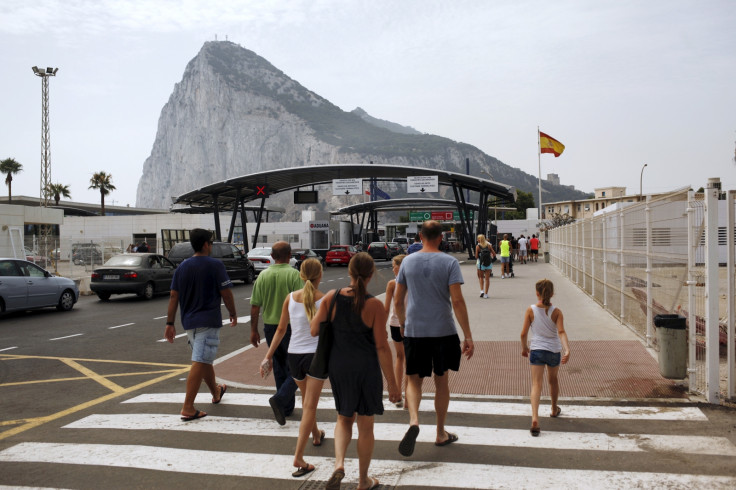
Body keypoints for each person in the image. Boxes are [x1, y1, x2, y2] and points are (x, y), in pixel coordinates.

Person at [311, 252, 400, 490]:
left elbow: (313, 330)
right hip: (366, 369)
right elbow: (382, 346)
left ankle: (339, 464)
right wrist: (392, 383)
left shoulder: (332, 297)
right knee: (366, 425)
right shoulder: (374, 305)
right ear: (372, 275)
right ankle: (363, 481)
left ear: (349, 272)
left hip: (339, 367)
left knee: (343, 418)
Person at [393, 220, 474, 458]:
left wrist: (403, 323)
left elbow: (398, 300)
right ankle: (440, 432)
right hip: (443, 331)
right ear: (441, 237)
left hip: (415, 331)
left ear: (420, 237)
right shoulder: (449, 262)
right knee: (441, 381)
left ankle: (414, 421)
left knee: (413, 380)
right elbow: (457, 301)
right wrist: (467, 335)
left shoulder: (407, 261)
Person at [259, 258, 326, 478]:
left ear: (300, 275)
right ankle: (298, 456)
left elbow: (280, 330)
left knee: (307, 400)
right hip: (315, 357)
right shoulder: (323, 300)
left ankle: (316, 435)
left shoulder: (290, 299)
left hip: (294, 357)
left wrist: (267, 357)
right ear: (320, 276)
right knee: (310, 407)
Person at [164, 228, 237, 421]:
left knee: (204, 359)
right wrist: (233, 312)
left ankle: (216, 392)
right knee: (201, 361)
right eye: (211, 242)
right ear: (205, 244)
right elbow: (226, 293)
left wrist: (170, 323)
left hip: (189, 322)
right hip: (208, 321)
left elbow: (173, 296)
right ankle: (188, 407)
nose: (211, 246)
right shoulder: (215, 265)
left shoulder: (182, 267)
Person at [250, 241, 303, 425]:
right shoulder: (295, 275)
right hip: (290, 327)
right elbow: (303, 301)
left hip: (270, 327)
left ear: (272, 257)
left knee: (280, 367)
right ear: (289, 255)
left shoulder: (262, 276)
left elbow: (255, 306)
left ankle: (286, 408)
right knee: (298, 367)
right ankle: (281, 399)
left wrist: (253, 330)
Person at [520, 279, 571, 436]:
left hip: (537, 350)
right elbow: (561, 332)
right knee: (553, 381)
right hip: (554, 351)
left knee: (536, 384)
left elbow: (523, 334)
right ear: (552, 294)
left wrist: (524, 348)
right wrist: (567, 350)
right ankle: (554, 409)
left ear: (537, 293)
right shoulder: (557, 312)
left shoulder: (530, 310)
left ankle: (535, 418)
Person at [384, 254, 407, 408]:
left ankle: (398, 393)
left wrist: (381, 327)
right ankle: (407, 393)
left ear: (401, 266)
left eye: (394, 265)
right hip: (410, 324)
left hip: (395, 322)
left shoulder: (392, 284)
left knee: (399, 357)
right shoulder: (415, 281)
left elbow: (387, 308)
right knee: (408, 358)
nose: (393, 268)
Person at [475, 234, 495, 299]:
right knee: (487, 279)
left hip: (481, 264)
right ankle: (486, 294)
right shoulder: (489, 246)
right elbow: (494, 254)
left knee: (481, 277)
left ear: (479, 239)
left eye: (478, 238)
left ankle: (482, 291)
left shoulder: (478, 246)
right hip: (488, 264)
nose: (477, 239)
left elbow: (476, 256)